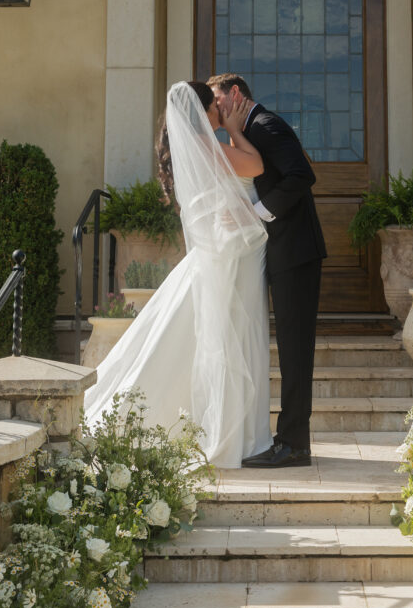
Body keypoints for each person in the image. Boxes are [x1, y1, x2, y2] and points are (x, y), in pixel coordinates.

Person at [84, 80, 273, 469]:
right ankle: (236, 436)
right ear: (206, 113)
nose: (223, 110)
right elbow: (255, 166)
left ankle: (241, 433)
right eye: (216, 106)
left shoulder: (194, 147)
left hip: (228, 251)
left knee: (222, 334)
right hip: (232, 255)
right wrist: (236, 131)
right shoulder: (208, 145)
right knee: (233, 335)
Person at [208, 73, 327, 469]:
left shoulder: (265, 124)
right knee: (284, 349)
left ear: (236, 94)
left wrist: (256, 213)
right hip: (275, 252)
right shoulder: (246, 130)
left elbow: (301, 176)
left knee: (295, 351)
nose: (215, 109)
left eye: (217, 100)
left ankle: (294, 444)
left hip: (296, 252)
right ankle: (287, 438)